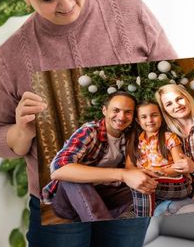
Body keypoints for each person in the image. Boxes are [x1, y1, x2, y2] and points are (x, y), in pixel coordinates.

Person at [0, 0, 177, 247]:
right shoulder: (10, 56)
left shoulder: (130, 13)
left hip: (130, 197)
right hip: (58, 209)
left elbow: (172, 84)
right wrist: (22, 131)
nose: (66, 3)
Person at [41, 92, 160, 222]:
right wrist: (122, 174)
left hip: (104, 196)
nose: (121, 117)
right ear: (104, 110)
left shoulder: (130, 136)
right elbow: (58, 169)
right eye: (116, 110)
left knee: (145, 186)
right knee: (71, 176)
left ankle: (122, 218)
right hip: (69, 202)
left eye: (128, 112)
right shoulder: (90, 131)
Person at [125, 100, 194, 217]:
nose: (149, 120)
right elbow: (129, 168)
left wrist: (161, 172)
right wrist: (142, 174)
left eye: (154, 115)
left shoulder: (169, 137)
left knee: (145, 181)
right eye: (144, 117)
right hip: (156, 186)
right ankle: (139, 215)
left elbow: (180, 167)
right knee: (140, 181)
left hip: (178, 184)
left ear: (161, 117)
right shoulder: (135, 142)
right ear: (138, 120)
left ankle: (142, 222)